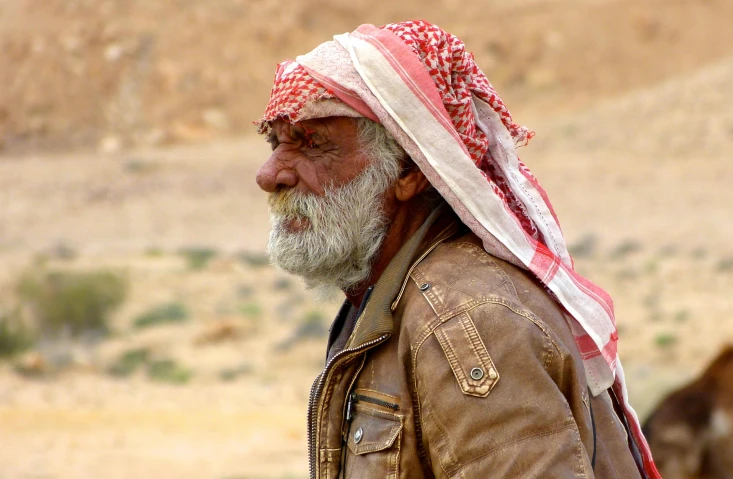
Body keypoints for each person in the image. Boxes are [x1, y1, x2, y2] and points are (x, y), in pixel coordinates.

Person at [254, 20, 660, 479]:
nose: (270, 174)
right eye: (276, 142)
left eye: (313, 143)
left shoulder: (466, 320)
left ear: (407, 169)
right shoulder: (392, 298)